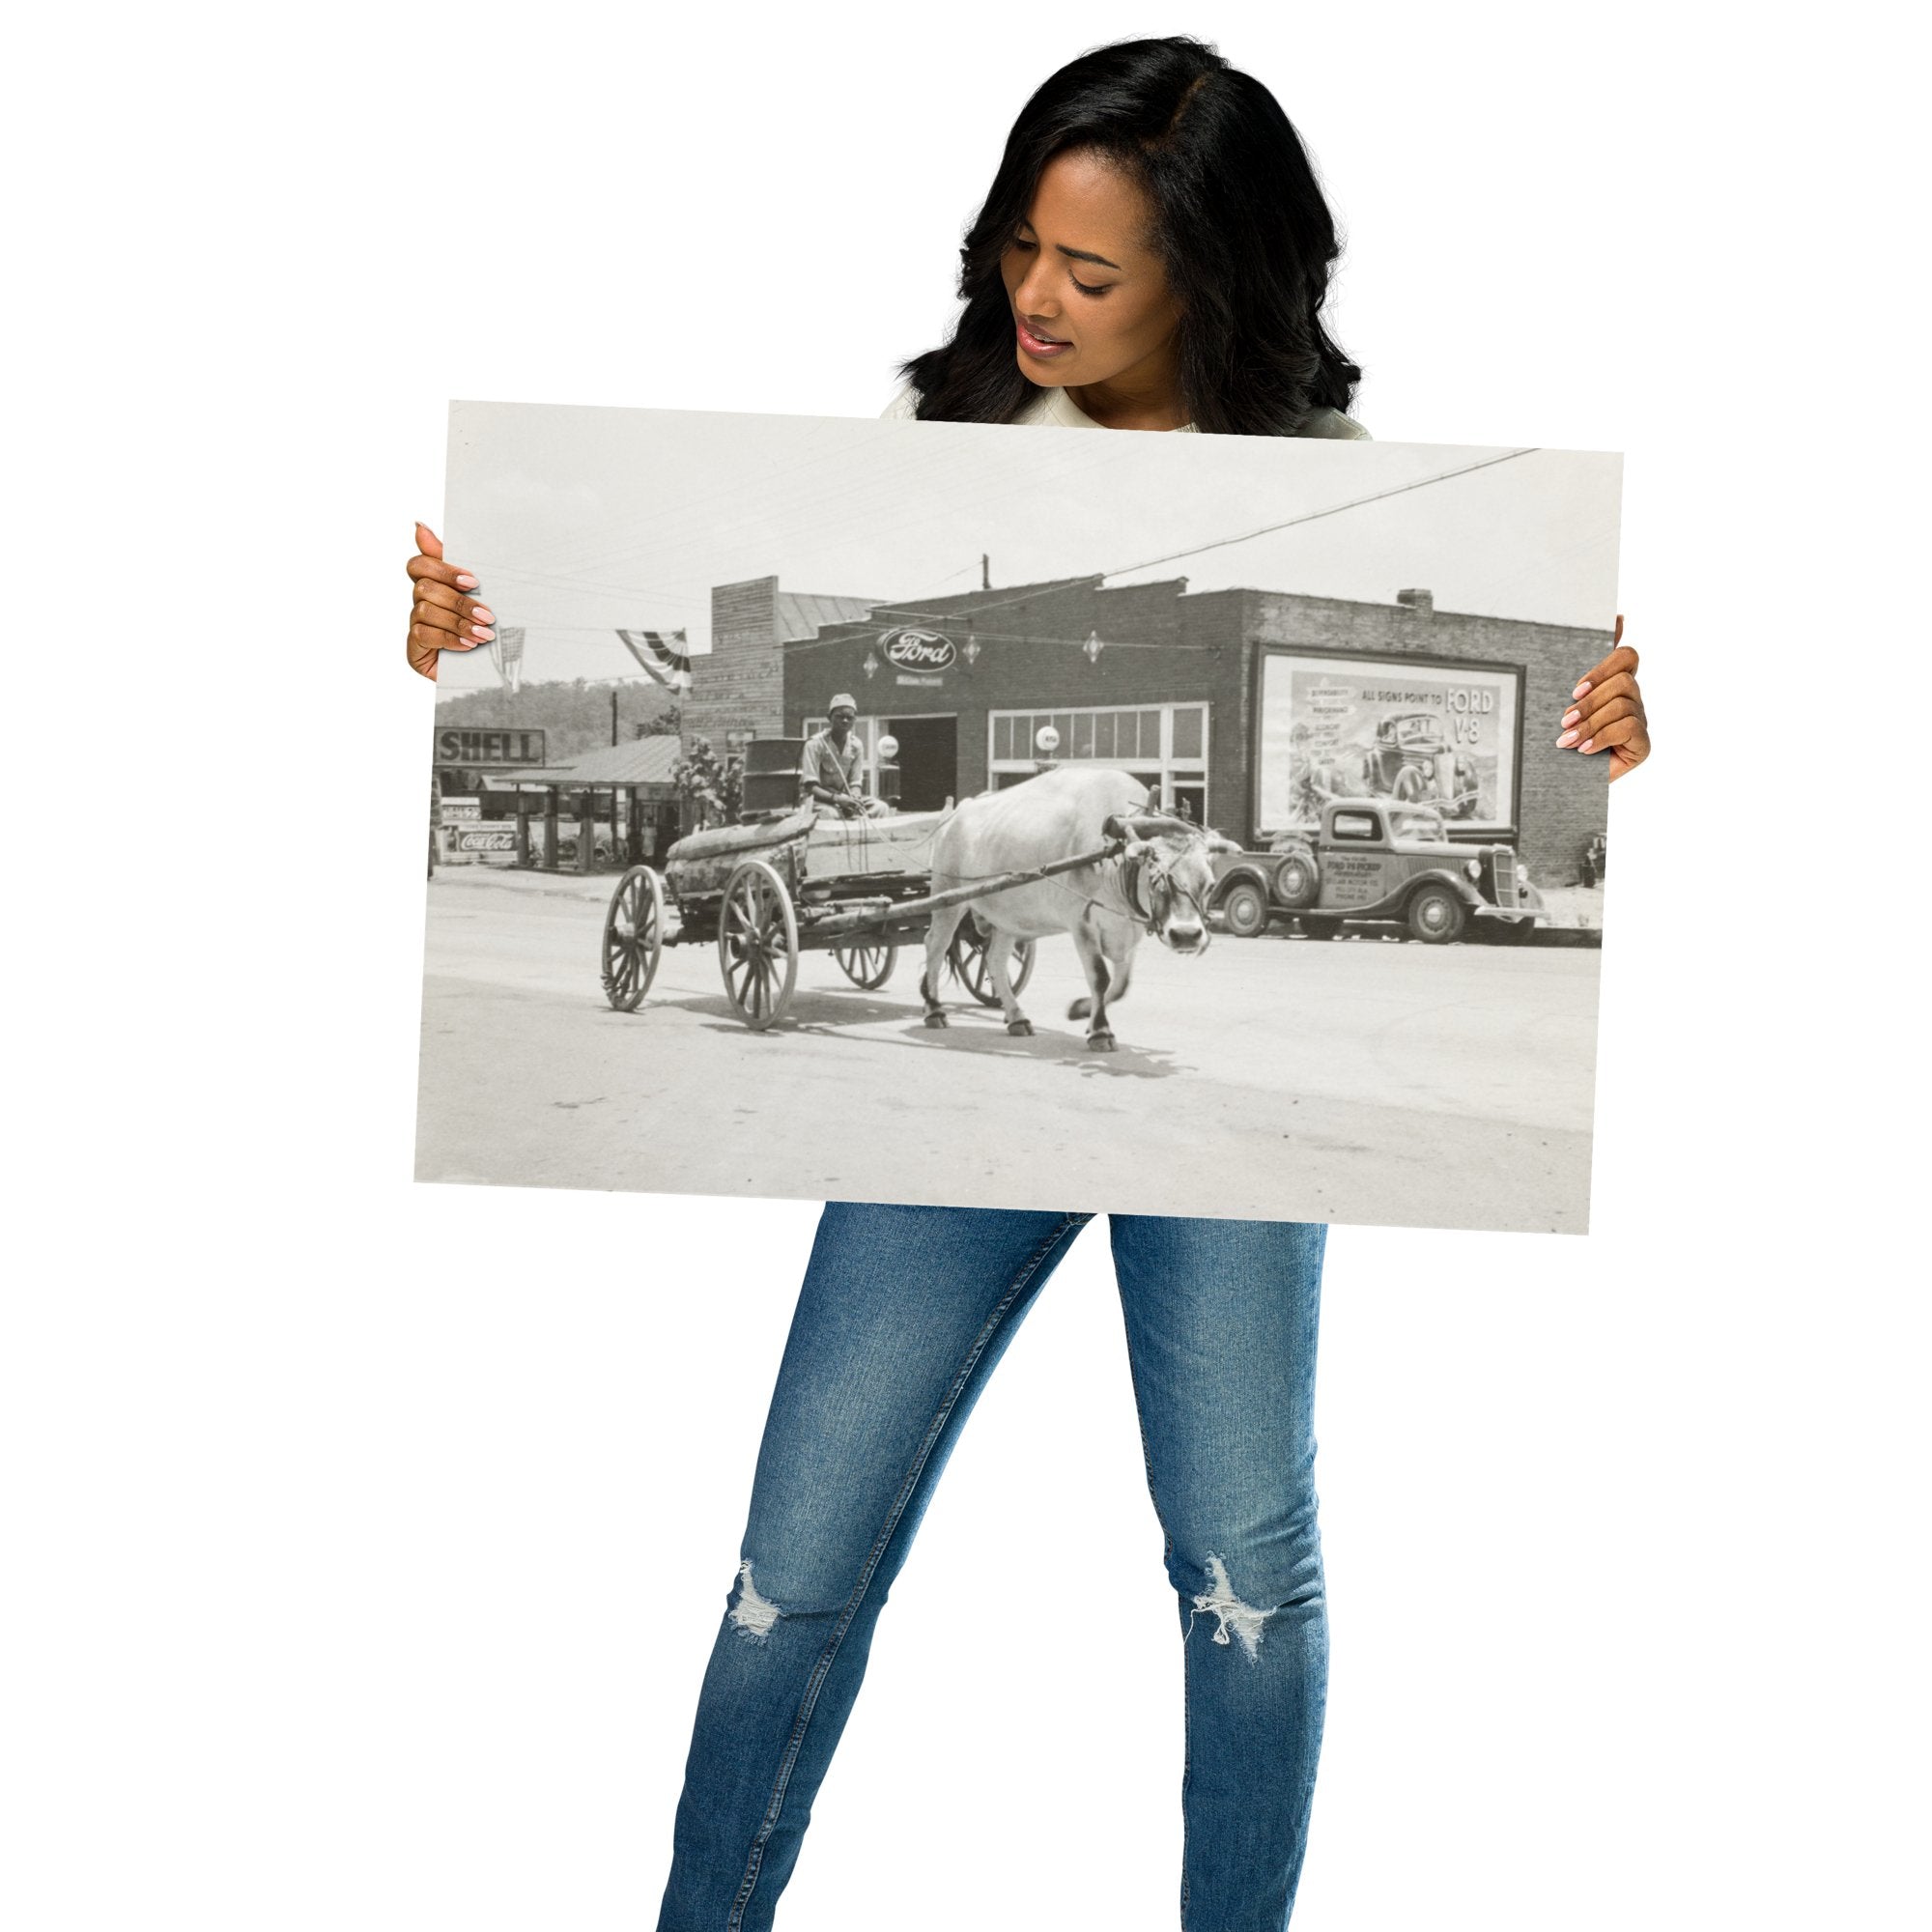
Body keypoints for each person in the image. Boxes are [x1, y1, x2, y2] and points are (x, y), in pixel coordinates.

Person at [405, 37, 1651, 1931]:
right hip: (939, 1068)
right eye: (1018, 251)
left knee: (1246, 1558)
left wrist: (1618, 730)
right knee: (796, 1554)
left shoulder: (1348, 492)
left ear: (1213, 278)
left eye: (1092, 271)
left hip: (1208, 1132)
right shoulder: (939, 456)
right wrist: (451, 634)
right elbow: (813, 676)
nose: (1035, 301)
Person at [798, 694, 886, 817]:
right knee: (831, 814)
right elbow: (810, 787)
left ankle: (863, 828)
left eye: (849, 717)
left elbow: (855, 782)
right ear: (829, 718)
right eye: (840, 717)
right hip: (817, 800)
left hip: (844, 798)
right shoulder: (815, 744)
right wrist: (837, 799)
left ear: (854, 720)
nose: (845, 721)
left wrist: (855, 798)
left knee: (881, 808)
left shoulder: (856, 745)